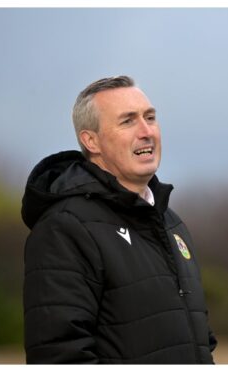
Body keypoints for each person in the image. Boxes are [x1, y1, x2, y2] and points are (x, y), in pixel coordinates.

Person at [22, 76, 217, 364]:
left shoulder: (171, 223)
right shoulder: (64, 228)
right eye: (128, 121)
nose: (146, 131)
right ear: (91, 140)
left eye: (150, 117)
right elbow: (59, 356)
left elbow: (200, 342)